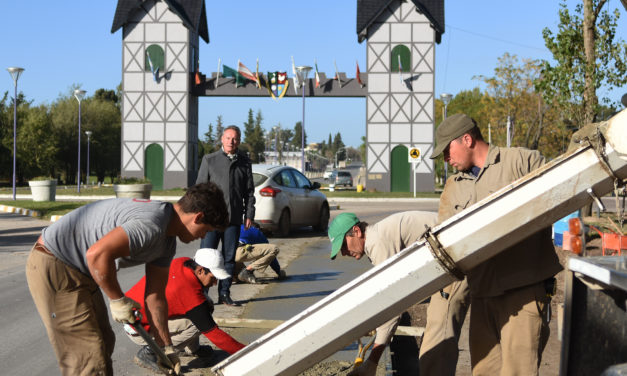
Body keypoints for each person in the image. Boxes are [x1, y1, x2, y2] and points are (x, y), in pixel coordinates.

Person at [25, 182, 229, 376]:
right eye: (207, 230)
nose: (203, 236)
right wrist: (117, 299)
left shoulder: (167, 241)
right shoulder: (152, 224)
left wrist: (165, 347)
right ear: (198, 217)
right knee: (87, 357)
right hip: (56, 262)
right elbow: (96, 255)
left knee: (105, 339)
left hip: (81, 271)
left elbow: (155, 296)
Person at [428, 113, 562, 375]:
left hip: (523, 292)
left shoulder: (522, 161)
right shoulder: (453, 187)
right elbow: (446, 241)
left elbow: (560, 192)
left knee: (518, 371)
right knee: (483, 371)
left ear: (467, 139)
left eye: (447, 151)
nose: (446, 159)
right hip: (482, 294)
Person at [327, 211, 438, 376]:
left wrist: (371, 363)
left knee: (436, 339)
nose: (343, 252)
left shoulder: (377, 243)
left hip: (457, 243)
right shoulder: (376, 238)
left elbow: (393, 308)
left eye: (343, 245)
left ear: (356, 232)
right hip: (444, 251)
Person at [124, 248, 246, 372]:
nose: (215, 283)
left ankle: (193, 349)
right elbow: (215, 335)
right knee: (197, 323)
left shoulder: (184, 262)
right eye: (213, 278)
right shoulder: (189, 293)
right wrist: (246, 352)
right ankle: (151, 352)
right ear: (200, 270)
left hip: (131, 313)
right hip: (139, 328)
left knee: (205, 305)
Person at [196, 125, 255, 306]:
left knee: (229, 259)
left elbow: (249, 192)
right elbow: (199, 189)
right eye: (228, 138)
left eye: (235, 138)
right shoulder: (210, 160)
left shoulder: (244, 162)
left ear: (239, 140)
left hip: (234, 219)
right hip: (211, 221)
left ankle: (224, 294)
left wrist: (249, 213)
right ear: (222, 139)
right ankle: (201, 296)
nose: (231, 141)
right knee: (206, 258)